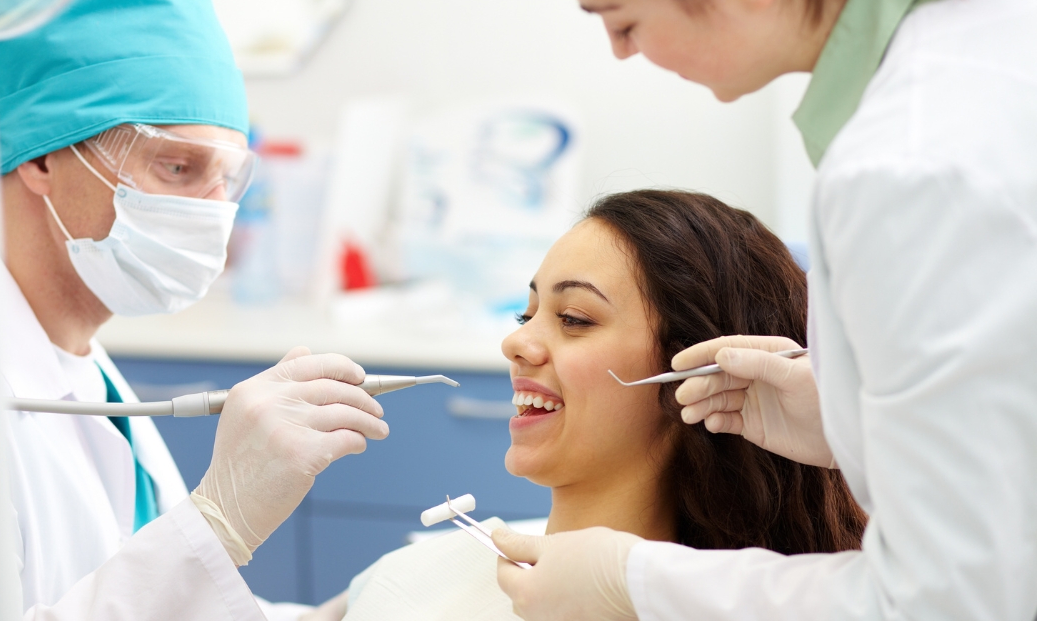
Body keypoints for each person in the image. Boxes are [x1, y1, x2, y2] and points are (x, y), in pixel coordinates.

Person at [0, 0, 387, 620]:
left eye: (228, 181)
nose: (214, 214)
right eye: (177, 167)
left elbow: (144, 595)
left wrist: (350, 612)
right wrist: (218, 522)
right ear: (42, 155)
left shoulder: (79, 360)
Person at [492, 0, 1037, 619]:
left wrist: (636, 582)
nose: (621, 50)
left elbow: (952, 600)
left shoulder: (907, 164)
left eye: (576, 319)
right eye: (524, 314)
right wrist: (851, 423)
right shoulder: (982, 77)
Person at [336, 190, 865, 620]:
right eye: (526, 316)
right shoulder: (417, 574)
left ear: (701, 369)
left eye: (574, 319)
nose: (514, 344)